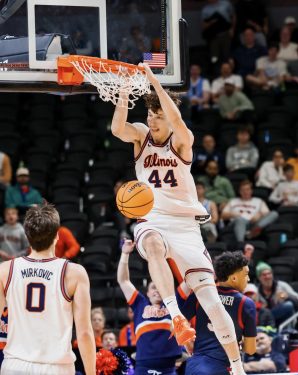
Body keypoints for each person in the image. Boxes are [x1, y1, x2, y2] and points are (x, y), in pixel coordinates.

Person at [112, 63, 247, 375]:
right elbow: (118, 129)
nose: (153, 122)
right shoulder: (141, 136)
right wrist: (122, 90)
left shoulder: (182, 139)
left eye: (158, 117)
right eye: (150, 116)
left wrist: (153, 81)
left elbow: (177, 119)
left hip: (186, 227)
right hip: (152, 219)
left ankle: (237, 366)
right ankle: (175, 314)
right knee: (154, 246)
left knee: (211, 301)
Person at [0, 203, 96, 375]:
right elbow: (84, 334)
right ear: (57, 236)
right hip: (56, 367)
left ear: (27, 236)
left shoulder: (5, 270)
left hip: (14, 366)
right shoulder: (74, 273)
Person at [178, 251, 256, 375]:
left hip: (195, 365)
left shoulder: (201, 294)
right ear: (234, 278)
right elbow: (251, 350)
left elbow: (177, 321)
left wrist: (188, 343)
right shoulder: (246, 304)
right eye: (246, 274)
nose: (248, 278)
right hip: (222, 367)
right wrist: (239, 343)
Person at [117, 239, 182, 375]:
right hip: (143, 366)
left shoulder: (174, 302)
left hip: (168, 368)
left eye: (160, 286)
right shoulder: (140, 303)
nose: (157, 290)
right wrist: (125, 254)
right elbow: (123, 281)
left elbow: (188, 282)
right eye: (153, 287)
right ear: (147, 292)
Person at [256, 262, 298, 326]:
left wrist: (287, 297)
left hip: (283, 320)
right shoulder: (256, 290)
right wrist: (260, 306)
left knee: (288, 305)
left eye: (269, 273)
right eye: (264, 275)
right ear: (259, 277)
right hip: (266, 320)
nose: (267, 277)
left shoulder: (282, 286)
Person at [201, 0, 235, 67]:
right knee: (214, 57)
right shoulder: (205, 9)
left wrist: (232, 29)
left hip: (226, 33)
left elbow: (233, 16)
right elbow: (203, 26)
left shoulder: (226, 3)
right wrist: (212, 22)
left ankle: (229, 73)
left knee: (227, 55)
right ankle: (217, 74)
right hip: (214, 36)